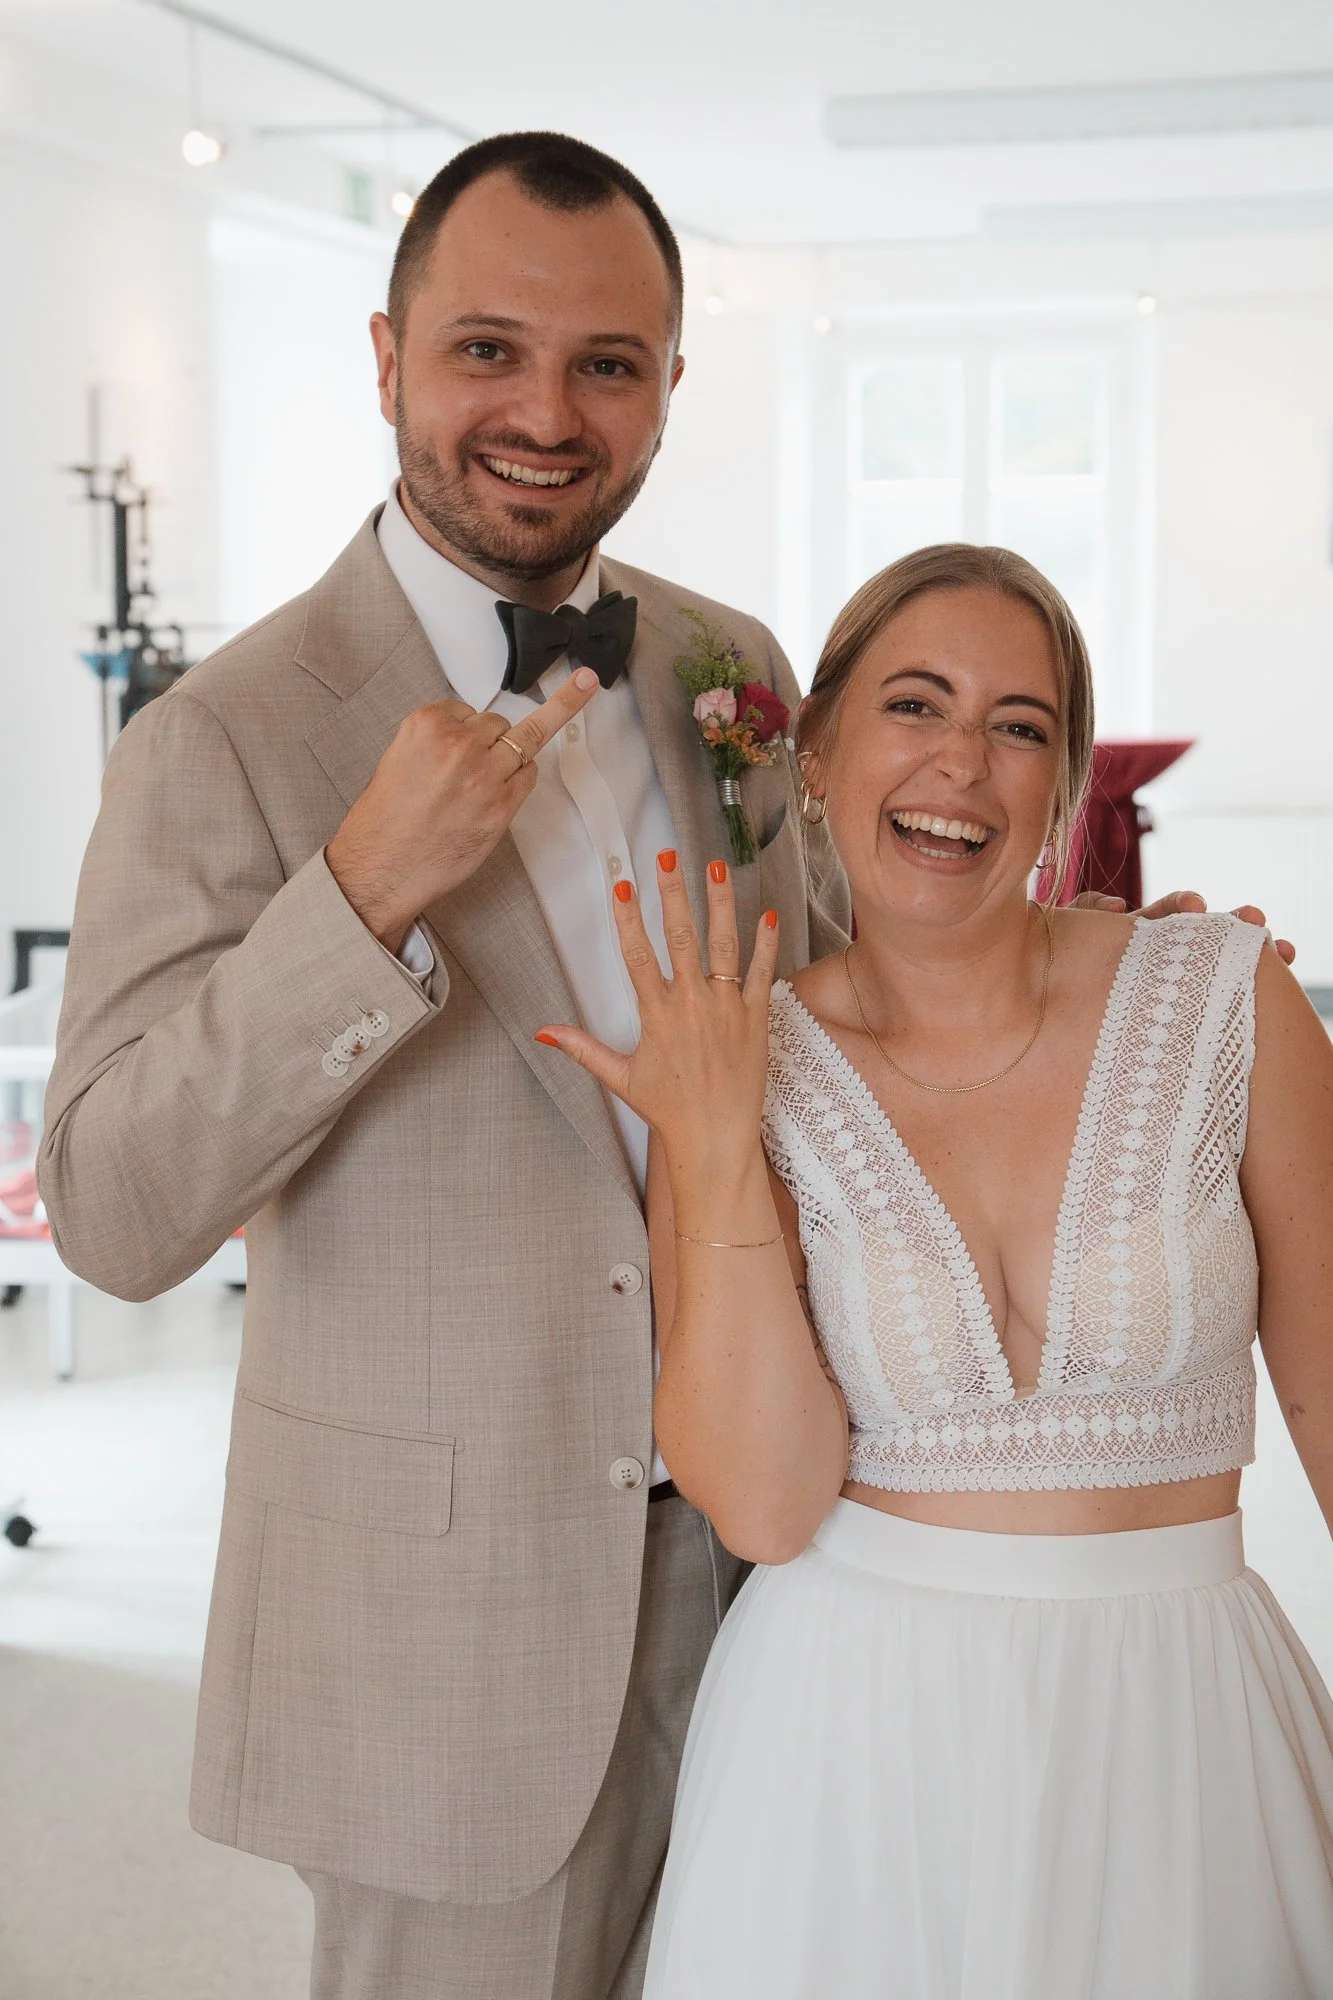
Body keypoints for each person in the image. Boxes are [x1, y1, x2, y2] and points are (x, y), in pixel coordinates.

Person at [541, 543, 1333, 2000]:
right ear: (820, 750)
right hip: (848, 1740)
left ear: (1065, 783)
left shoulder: (1231, 999)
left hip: (1185, 1722)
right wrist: (714, 1147)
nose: (961, 763)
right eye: (915, 705)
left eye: (1019, 726)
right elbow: (765, 1503)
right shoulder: (742, 1069)